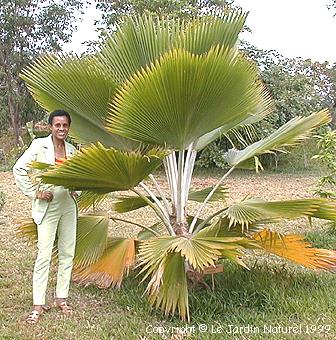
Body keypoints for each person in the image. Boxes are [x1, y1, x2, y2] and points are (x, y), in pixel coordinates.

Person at [13, 109, 78, 324]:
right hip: (48, 206)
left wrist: (77, 190)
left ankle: (62, 298)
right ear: (51, 126)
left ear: (69, 127)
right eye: (57, 125)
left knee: (68, 253)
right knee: (44, 254)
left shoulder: (72, 150)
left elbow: (80, 178)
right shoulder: (38, 145)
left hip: (68, 206)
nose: (61, 129)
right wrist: (36, 193)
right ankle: (38, 304)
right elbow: (18, 169)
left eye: (65, 125)